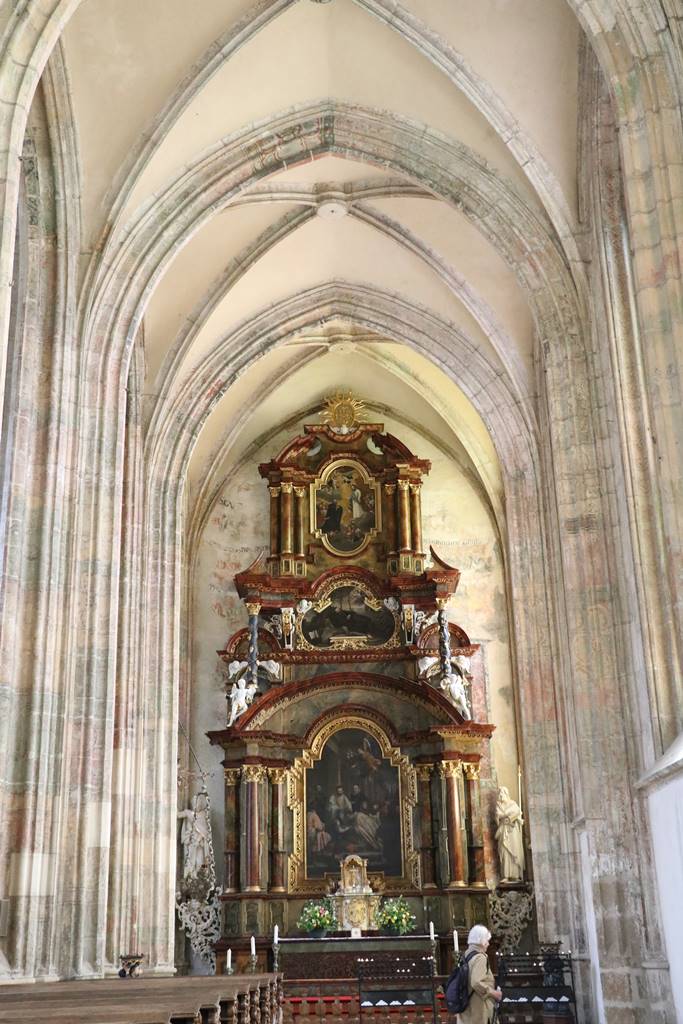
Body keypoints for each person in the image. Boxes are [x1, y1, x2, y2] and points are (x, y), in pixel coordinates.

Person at [456, 925, 502, 1023]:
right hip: (480, 1009)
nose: (488, 944)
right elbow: (476, 982)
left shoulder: (466, 955)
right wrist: (493, 993)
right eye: (487, 940)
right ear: (481, 940)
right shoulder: (480, 958)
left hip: (467, 1010)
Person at [177, 792, 212, 879]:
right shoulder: (188, 813)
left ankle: (201, 877)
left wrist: (198, 840)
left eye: (197, 803)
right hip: (190, 843)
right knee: (189, 862)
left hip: (200, 844)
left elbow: (205, 832)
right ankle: (190, 878)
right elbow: (178, 815)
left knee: (200, 862)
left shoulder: (204, 815)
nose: (195, 805)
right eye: (194, 803)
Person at [495, 786, 524, 881]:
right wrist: (506, 815)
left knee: (514, 850)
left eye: (502, 793)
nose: (500, 795)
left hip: (512, 831)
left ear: (506, 794)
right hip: (503, 831)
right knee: (504, 852)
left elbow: (518, 813)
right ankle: (506, 875)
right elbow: (497, 816)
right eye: (499, 793)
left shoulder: (513, 804)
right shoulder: (498, 805)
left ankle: (515, 875)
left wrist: (509, 817)